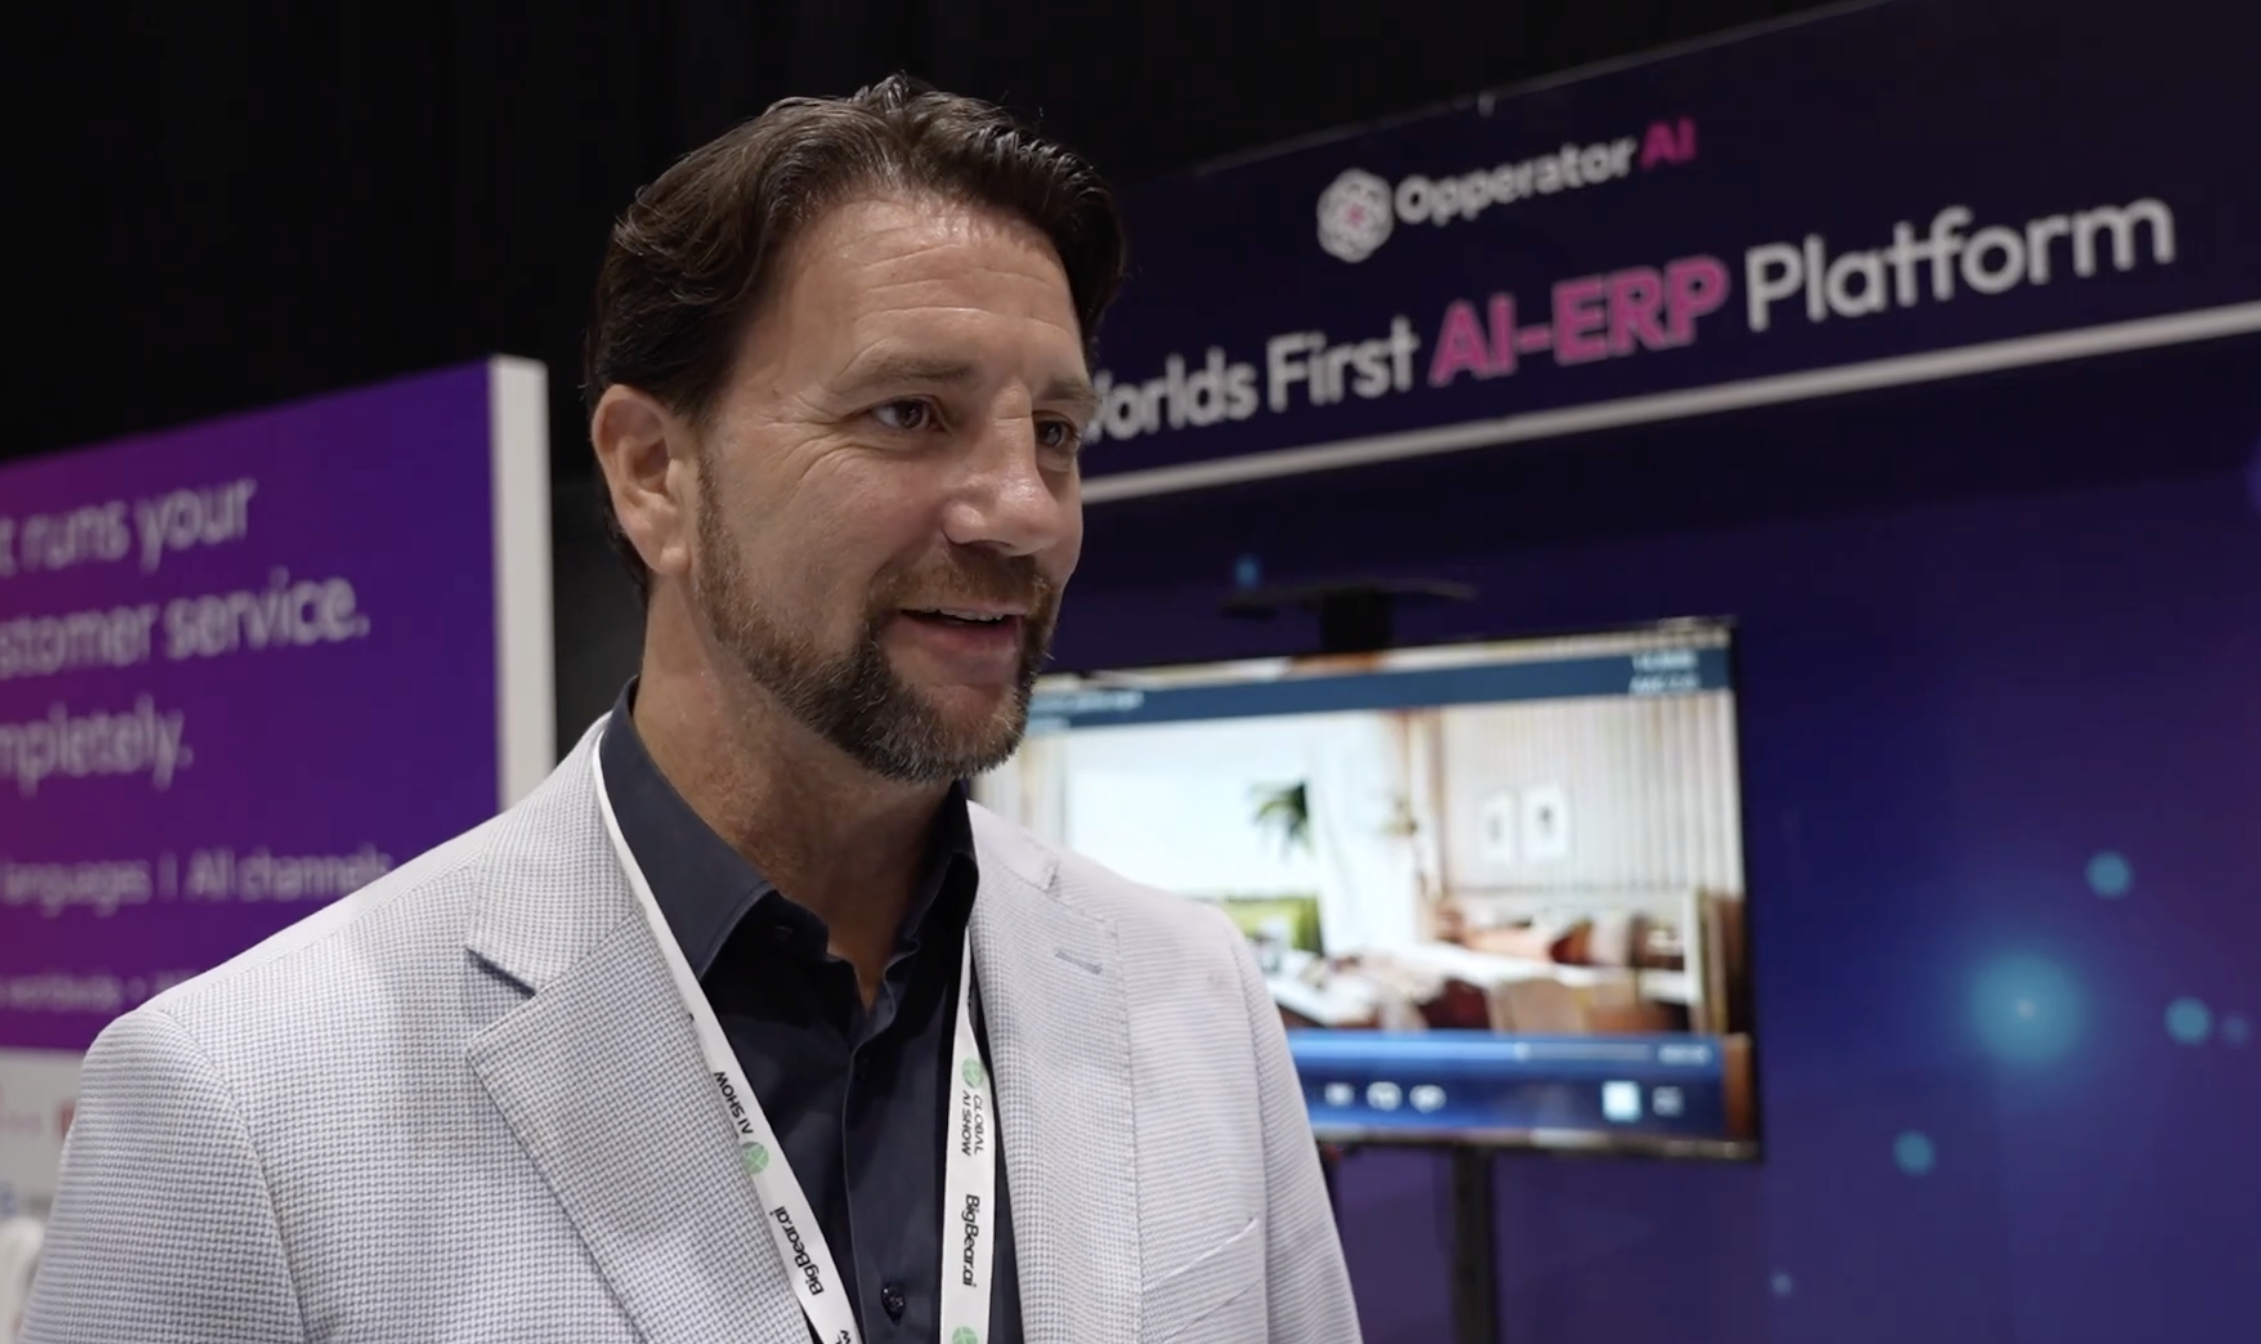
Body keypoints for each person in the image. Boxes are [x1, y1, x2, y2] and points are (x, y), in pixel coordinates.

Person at [24, 76, 1359, 1344]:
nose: (1025, 513)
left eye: (1055, 433)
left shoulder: (1191, 997)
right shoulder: (244, 1105)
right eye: (909, 413)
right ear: (654, 472)